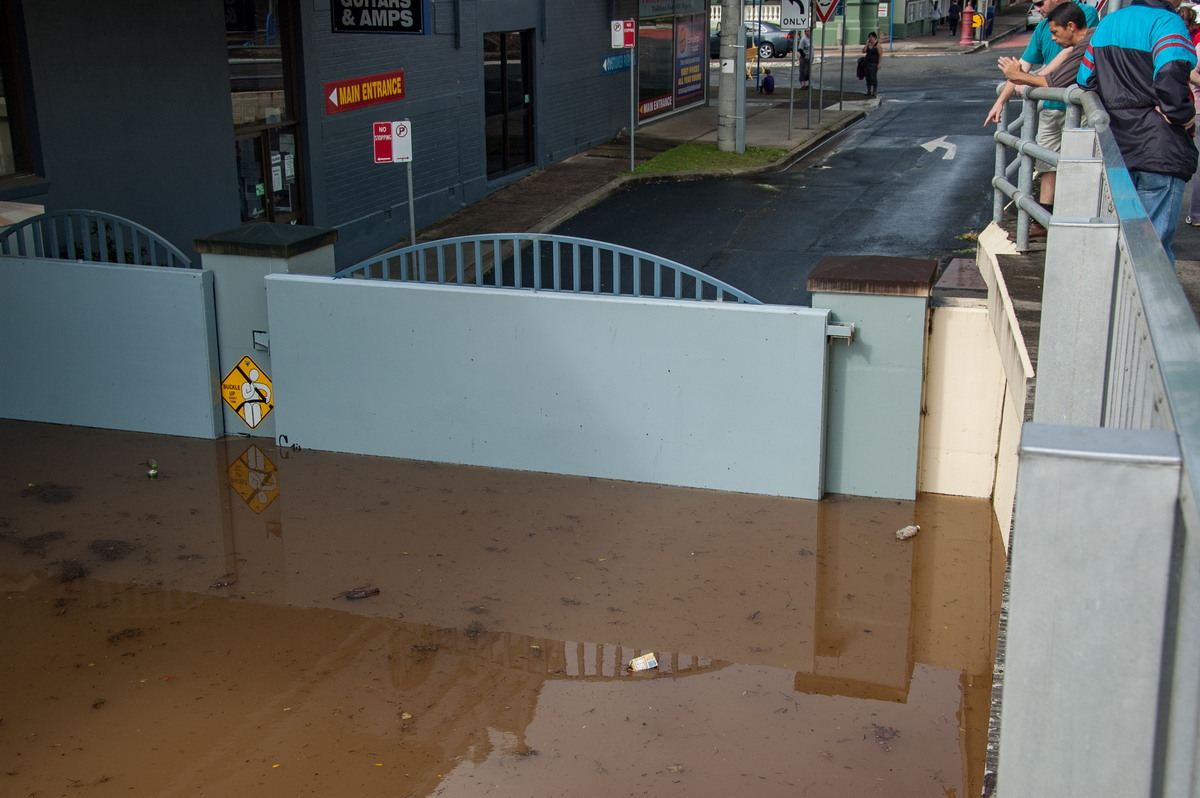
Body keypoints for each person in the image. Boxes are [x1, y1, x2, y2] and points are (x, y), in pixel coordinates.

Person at [1078, 0, 1197, 263]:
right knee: (1153, 248)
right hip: (1159, 147)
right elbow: (1171, 74)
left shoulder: (1108, 22)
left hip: (1115, 144)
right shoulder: (1168, 23)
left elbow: (1085, 79)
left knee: (1120, 242)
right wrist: (1184, 116)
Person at [984, 0, 1100, 218]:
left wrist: (1028, 78)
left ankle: (1075, 215)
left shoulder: (1085, 17)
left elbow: (1066, 58)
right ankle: (1045, 216)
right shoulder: (1042, 28)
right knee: (1046, 162)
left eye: (1039, 3)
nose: (1036, 9)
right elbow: (1023, 65)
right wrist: (1000, 101)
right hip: (1051, 106)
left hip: (1079, 106)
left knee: (1079, 162)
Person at [862, 32, 881, 97]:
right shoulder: (868, 44)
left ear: (875, 37)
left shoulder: (877, 45)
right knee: (868, 77)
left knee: (873, 77)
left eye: (871, 37)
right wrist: (866, 44)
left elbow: (880, 55)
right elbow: (863, 51)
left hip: (874, 63)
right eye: (869, 37)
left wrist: (879, 64)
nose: (870, 39)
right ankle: (869, 91)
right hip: (867, 63)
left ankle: (874, 91)